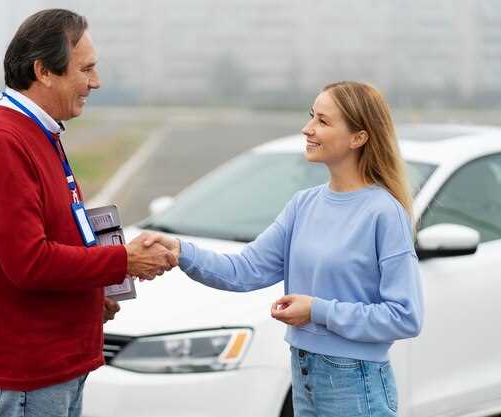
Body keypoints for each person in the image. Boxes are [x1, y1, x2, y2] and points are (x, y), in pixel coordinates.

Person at [144, 81, 424, 416]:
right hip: (305, 376)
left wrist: (316, 310)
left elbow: (405, 317)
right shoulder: (303, 205)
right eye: (311, 117)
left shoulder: (384, 212)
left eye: (323, 121)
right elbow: (243, 271)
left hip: (356, 383)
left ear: (358, 138)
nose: (308, 129)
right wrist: (179, 250)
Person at [0, 9, 176, 417]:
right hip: (30, 370)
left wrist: (92, 295)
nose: (96, 81)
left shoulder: (39, 133)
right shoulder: (0, 142)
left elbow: (57, 236)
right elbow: (28, 263)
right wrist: (123, 260)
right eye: (86, 69)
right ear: (44, 71)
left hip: (55, 363)